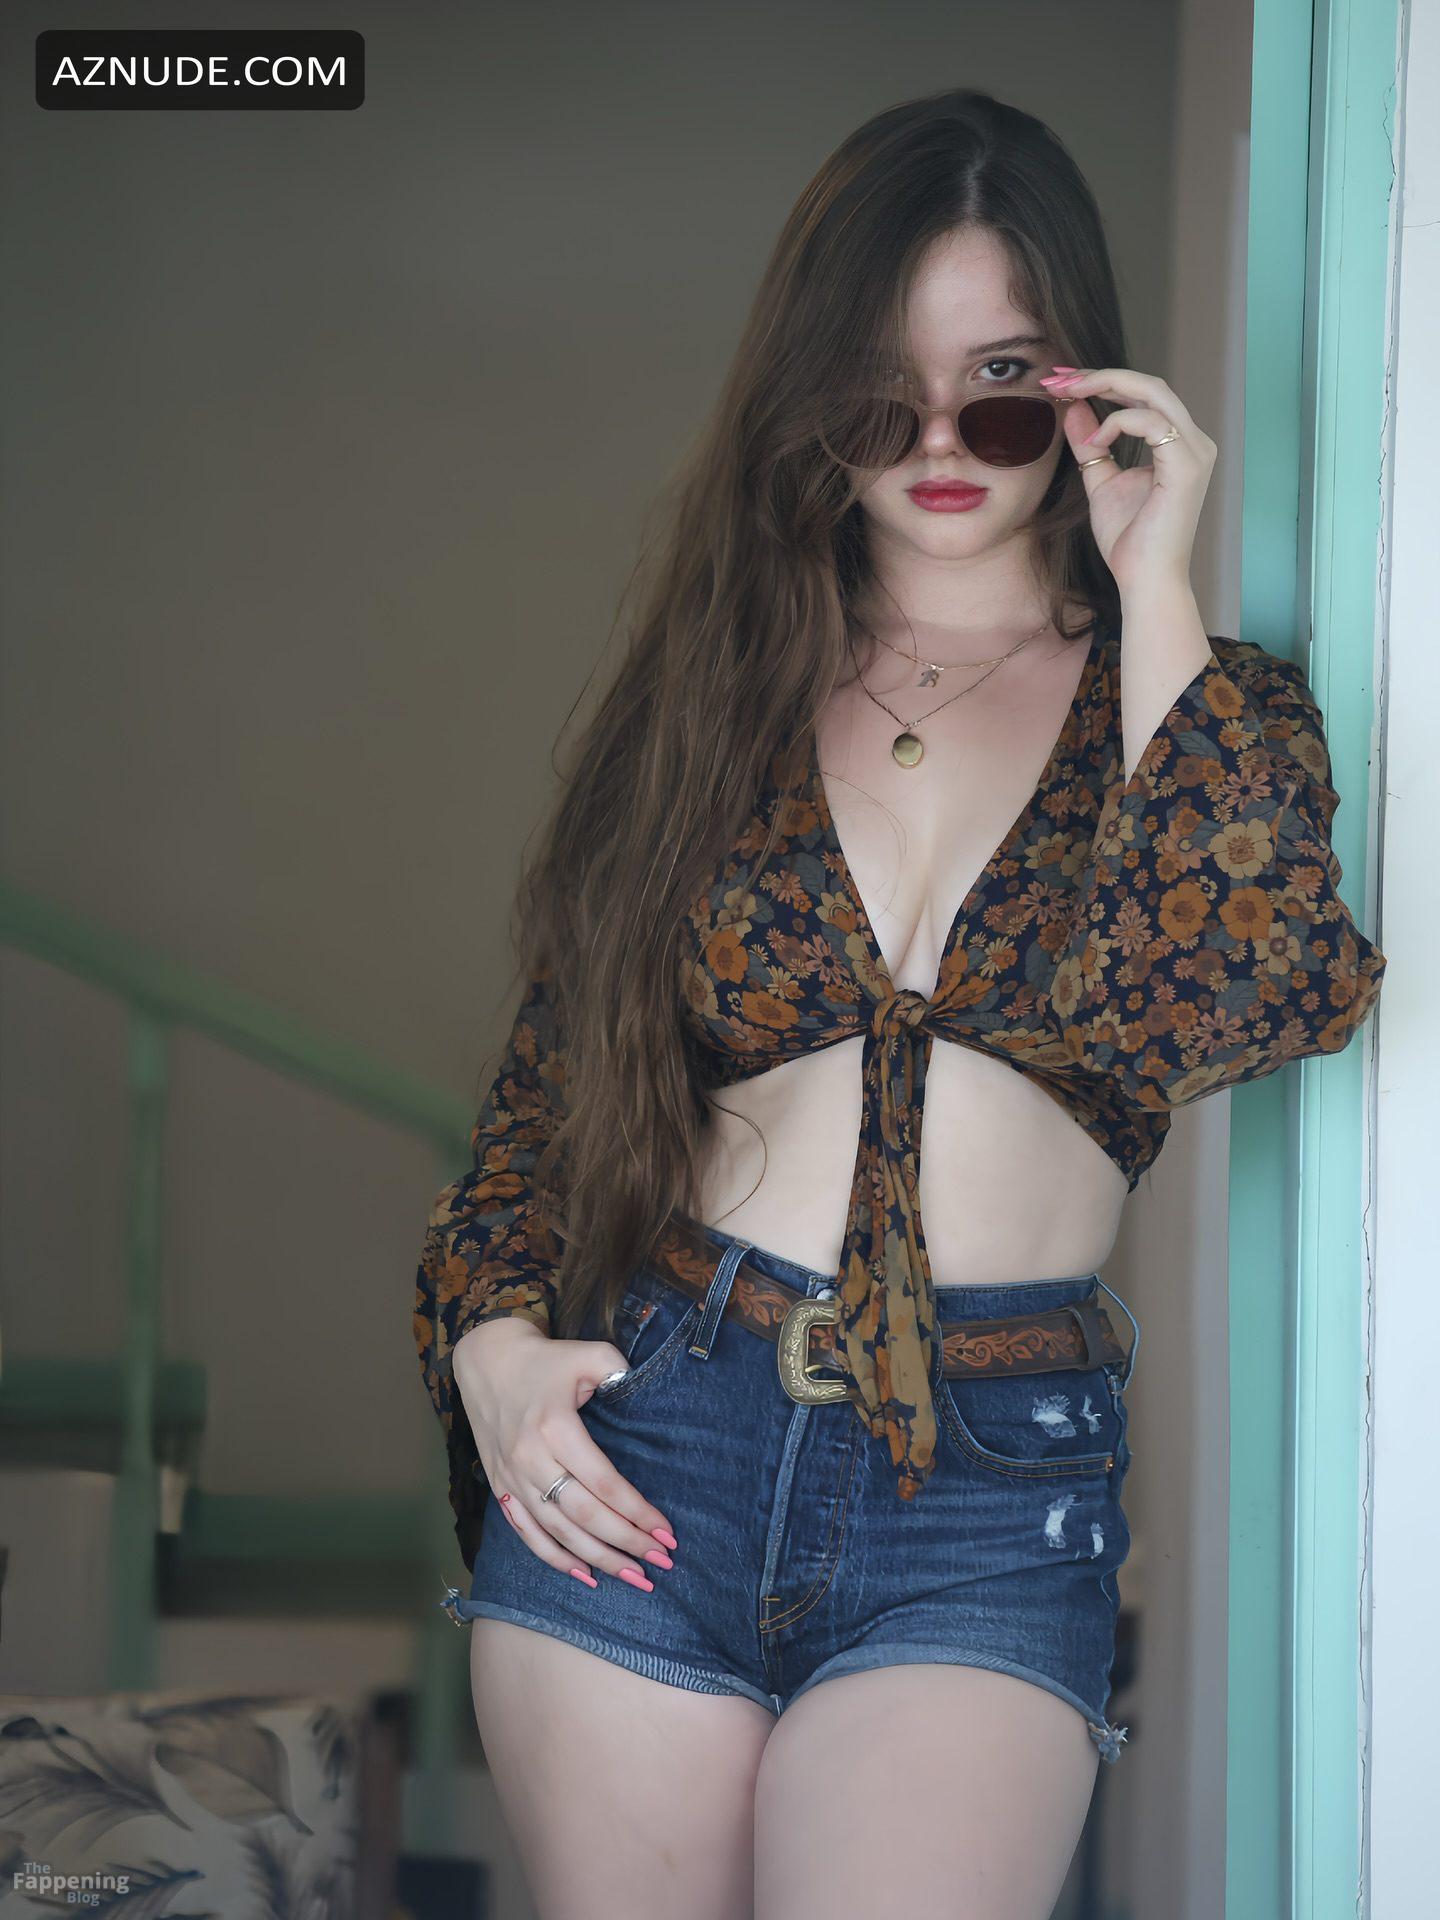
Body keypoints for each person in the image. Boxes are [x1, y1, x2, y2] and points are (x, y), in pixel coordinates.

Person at [413, 87, 1386, 1920]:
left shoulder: (1204, 707)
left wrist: (1154, 578)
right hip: (665, 1423)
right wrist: (494, 1355)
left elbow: (1228, 1000)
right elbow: (555, 1095)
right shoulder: (714, 697)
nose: (941, 441)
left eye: (1003, 383)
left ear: (1088, 389)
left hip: (987, 1481)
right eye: (883, 393)